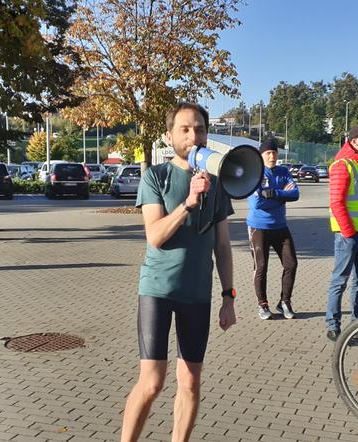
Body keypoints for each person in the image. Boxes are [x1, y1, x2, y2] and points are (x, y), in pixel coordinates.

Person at [121, 102, 236, 442]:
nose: (193, 135)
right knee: (153, 382)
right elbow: (154, 236)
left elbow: (224, 247)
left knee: (189, 381)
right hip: (158, 290)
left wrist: (228, 296)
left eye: (199, 129)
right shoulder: (155, 177)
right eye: (185, 129)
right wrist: (188, 203)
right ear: (170, 135)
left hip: (197, 294)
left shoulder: (217, 185)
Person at [325, 123, 358, 341]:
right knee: (340, 281)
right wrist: (349, 232)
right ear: (354, 141)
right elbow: (336, 202)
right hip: (349, 235)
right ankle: (332, 326)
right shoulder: (342, 165)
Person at [246, 137, 300, 320]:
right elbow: (258, 203)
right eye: (268, 153)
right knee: (261, 267)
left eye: (274, 152)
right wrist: (281, 198)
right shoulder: (255, 174)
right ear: (261, 155)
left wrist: (275, 194)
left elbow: (295, 194)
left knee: (291, 263)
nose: (272, 156)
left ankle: (285, 301)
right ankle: (263, 304)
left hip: (280, 226)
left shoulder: (284, 172)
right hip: (258, 227)